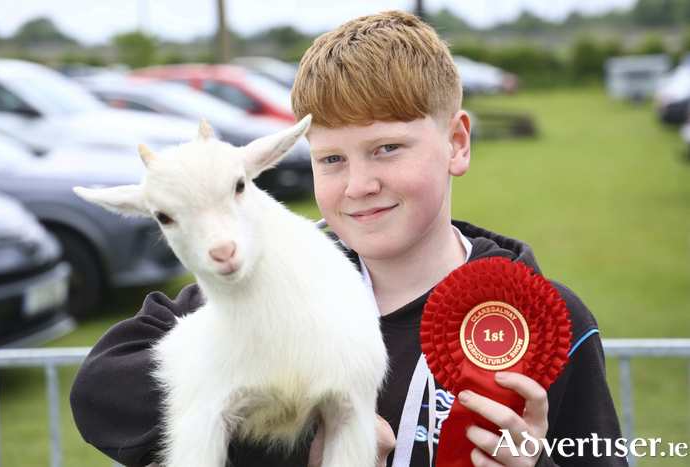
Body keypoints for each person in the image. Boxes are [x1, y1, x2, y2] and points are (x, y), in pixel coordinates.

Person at [70, 10, 626, 467]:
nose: (360, 185)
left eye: (387, 148)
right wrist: (294, 450)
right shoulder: (252, 286)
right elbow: (102, 389)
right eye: (331, 159)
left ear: (456, 143)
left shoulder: (545, 321)